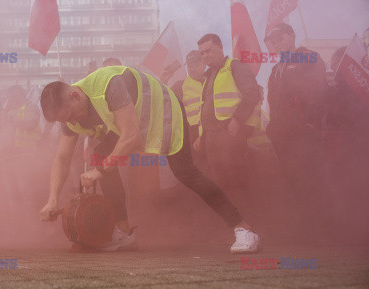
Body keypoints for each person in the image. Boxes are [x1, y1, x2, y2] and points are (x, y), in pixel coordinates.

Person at [38, 65, 260, 253]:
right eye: (65, 121)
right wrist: (52, 199)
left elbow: (132, 137)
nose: (72, 122)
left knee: (186, 172)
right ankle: (124, 233)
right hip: (131, 123)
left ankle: (244, 229)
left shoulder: (109, 85)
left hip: (164, 110)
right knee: (101, 158)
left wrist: (101, 170)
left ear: (74, 95)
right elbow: (62, 158)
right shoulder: (69, 116)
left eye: (71, 116)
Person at [264, 23, 329, 231]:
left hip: (303, 134)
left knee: (310, 178)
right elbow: (273, 103)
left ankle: (322, 228)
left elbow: (319, 92)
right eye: (273, 42)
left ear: (291, 36)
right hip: (282, 136)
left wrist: (309, 123)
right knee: (292, 180)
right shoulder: (275, 69)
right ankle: (305, 227)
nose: (277, 45)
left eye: (280, 39)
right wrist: (272, 129)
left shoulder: (308, 57)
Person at [195, 34, 262, 191]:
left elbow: (252, 94)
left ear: (220, 47)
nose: (205, 55)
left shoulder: (235, 66)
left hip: (230, 133)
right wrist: (201, 135)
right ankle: (230, 215)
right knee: (219, 182)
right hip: (211, 137)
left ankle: (245, 214)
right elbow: (206, 108)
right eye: (202, 53)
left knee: (236, 179)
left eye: (209, 51)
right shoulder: (208, 76)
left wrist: (236, 120)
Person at [0, 85, 42, 215]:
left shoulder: (30, 107)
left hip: (23, 157)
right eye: (10, 97)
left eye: (14, 96)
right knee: (12, 195)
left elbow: (30, 123)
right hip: (7, 158)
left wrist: (9, 117)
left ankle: (31, 226)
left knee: (25, 192)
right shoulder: (10, 112)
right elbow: (3, 135)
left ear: (23, 94)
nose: (12, 99)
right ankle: (17, 225)